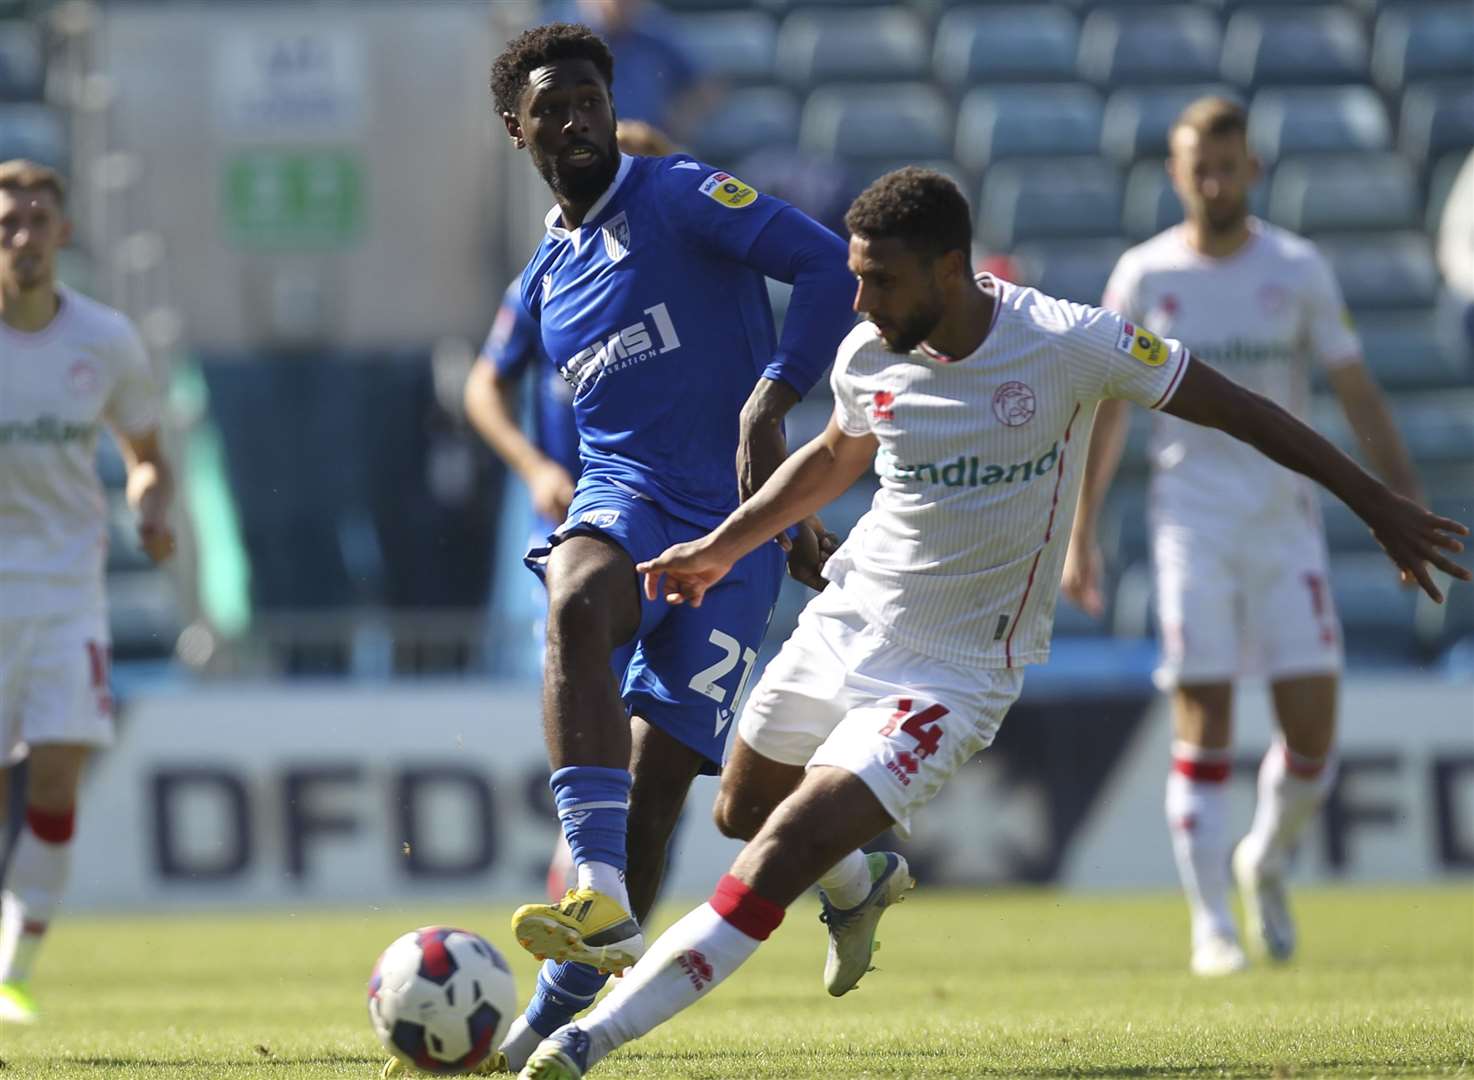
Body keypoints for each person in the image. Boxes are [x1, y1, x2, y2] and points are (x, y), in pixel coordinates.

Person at [513, 166, 1469, 1080]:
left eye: (878, 281)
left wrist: (1374, 501)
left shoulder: (1067, 342)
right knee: (741, 807)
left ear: (948, 269)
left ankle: (593, 1040)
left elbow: (1241, 409)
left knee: (780, 848)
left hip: (954, 672)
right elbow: (833, 461)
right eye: (854, 278)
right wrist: (727, 543)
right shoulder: (867, 354)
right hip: (849, 618)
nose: (857, 303)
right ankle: (860, 884)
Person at [484, 22, 855, 1074]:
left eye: (588, 99)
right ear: (519, 132)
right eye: (551, 107)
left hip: (729, 535)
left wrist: (776, 400)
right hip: (629, 501)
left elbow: (826, 266)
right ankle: (591, 891)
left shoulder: (681, 193)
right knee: (573, 599)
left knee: (657, 800)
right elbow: (530, 399)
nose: (576, 120)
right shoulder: (547, 280)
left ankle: (547, 1030)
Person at [1061, 97, 1426, 977]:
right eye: (1199, 164)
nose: (1214, 179)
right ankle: (1211, 925)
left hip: (1285, 530)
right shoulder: (1145, 275)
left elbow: (1354, 388)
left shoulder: (1296, 268)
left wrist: (1399, 501)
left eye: (1228, 163)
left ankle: (1262, 858)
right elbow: (1106, 411)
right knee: (1206, 720)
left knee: (1313, 744)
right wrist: (1083, 534)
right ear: (1176, 173)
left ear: (1252, 170)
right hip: (1191, 526)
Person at [465, 119, 677, 902]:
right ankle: (592, 888)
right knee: (595, 704)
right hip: (576, 533)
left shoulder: (699, 295)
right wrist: (533, 465)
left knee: (656, 736)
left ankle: (600, 898)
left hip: (675, 530)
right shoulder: (549, 278)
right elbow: (482, 385)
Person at [0, 160, 175, 1024]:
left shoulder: (103, 338)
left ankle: (14, 968)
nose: (23, 236)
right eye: (7, 222)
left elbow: (146, 452)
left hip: (69, 592)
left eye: (37, 219)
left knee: (55, 785)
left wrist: (148, 506)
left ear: (63, 232)